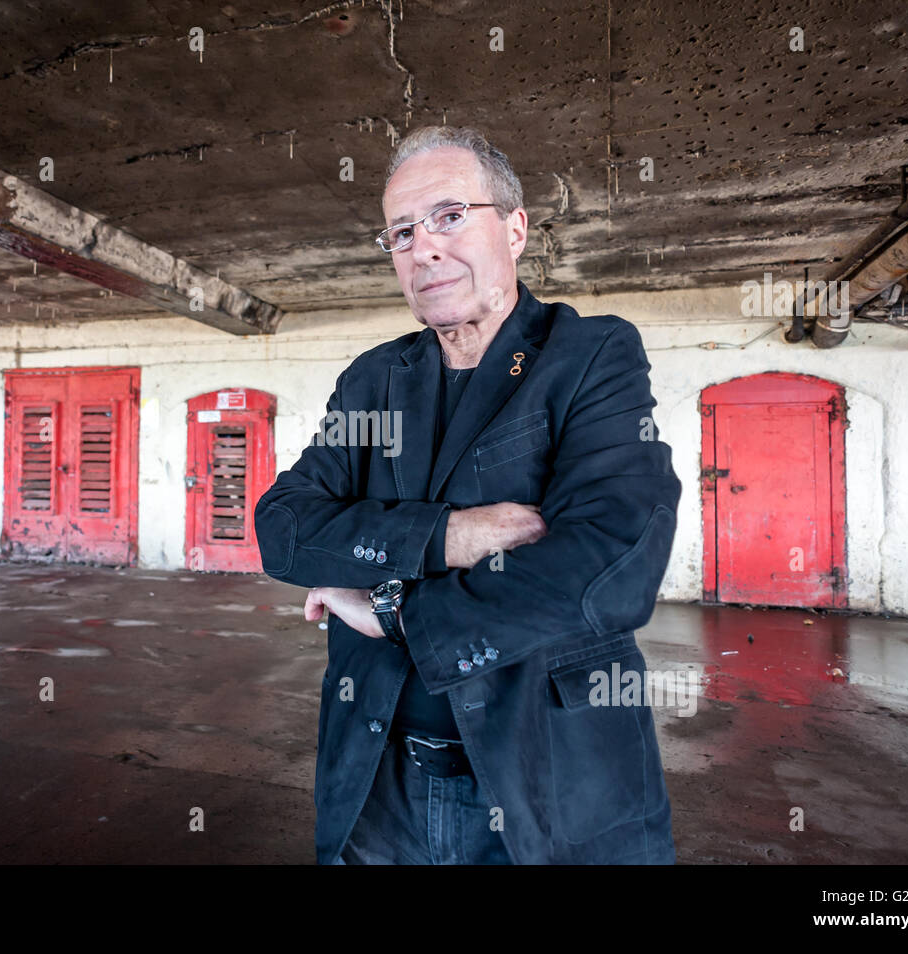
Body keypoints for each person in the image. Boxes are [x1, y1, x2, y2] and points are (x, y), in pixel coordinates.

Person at [254, 125, 681, 864]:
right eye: (402, 232)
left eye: (450, 215)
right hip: (378, 789)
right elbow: (285, 527)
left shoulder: (589, 356)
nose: (423, 246)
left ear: (515, 229)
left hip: (542, 783)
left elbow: (612, 562)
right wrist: (448, 536)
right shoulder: (374, 379)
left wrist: (393, 611)